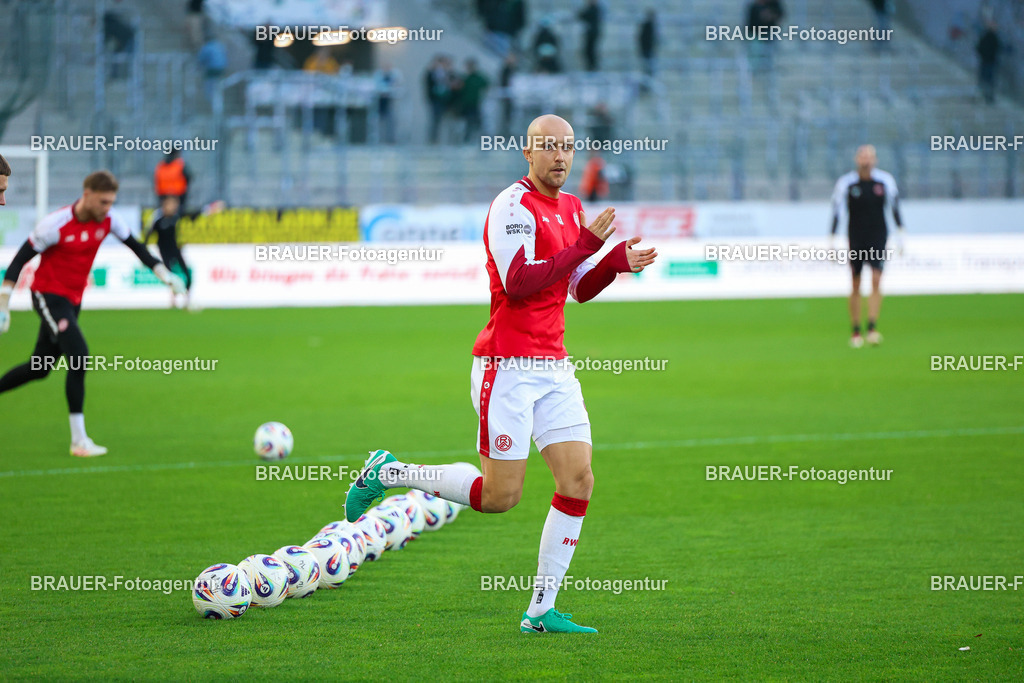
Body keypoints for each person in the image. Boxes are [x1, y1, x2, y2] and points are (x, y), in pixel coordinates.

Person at [343, 115, 657, 634]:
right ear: (527, 153)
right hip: (506, 366)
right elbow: (517, 282)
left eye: (568, 148)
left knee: (578, 480)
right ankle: (389, 472)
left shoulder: (572, 208)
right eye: (549, 147)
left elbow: (576, 287)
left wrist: (615, 262)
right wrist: (584, 247)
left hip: (554, 366)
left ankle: (540, 611)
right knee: (499, 497)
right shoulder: (511, 206)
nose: (560, 156)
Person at [0, 171, 186, 457]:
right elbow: (19, 260)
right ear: (86, 194)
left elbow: (137, 248)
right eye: (102, 202)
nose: (106, 209)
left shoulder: (110, 220)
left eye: (110, 203)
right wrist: (4, 302)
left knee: (39, 368)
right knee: (79, 355)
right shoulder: (55, 224)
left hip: (73, 300)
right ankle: (79, 441)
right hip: (47, 295)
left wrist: (164, 274)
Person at [830, 145, 904, 348]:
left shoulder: (885, 181)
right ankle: (855, 330)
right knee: (855, 282)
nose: (866, 160)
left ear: (875, 160)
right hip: (856, 236)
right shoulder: (847, 183)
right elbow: (837, 210)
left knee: (876, 278)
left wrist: (900, 232)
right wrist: (833, 237)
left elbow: (894, 207)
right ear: (857, 159)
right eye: (863, 156)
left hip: (878, 235)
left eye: (870, 156)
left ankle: (872, 327)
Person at [143, 195, 194, 308]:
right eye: (171, 204)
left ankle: (187, 299)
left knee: (186, 273)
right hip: (164, 252)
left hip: (176, 250)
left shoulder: (176, 217)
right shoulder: (157, 219)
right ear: (164, 205)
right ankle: (173, 300)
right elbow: (148, 235)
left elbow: (192, 216)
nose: (174, 207)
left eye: (175, 204)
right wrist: (144, 252)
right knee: (170, 275)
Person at [458, 58, 490, 143]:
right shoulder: (465, 78)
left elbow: (486, 83)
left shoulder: (477, 77)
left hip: (476, 104)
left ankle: (481, 141)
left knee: (478, 123)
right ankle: (467, 140)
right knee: (468, 123)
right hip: (466, 104)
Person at [197, 31, 228, 101]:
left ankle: (209, 98)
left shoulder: (207, 46)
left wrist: (199, 66)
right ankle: (218, 97)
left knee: (209, 82)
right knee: (217, 82)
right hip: (222, 67)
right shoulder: (220, 45)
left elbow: (202, 58)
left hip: (212, 67)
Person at [976, 20, 1000, 105]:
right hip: (989, 62)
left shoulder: (986, 37)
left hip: (986, 61)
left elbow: (979, 47)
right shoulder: (993, 38)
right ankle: (988, 97)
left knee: (985, 80)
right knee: (989, 81)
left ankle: (985, 96)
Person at [578, 0, 603, 71]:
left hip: (592, 32)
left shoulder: (594, 9)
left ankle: (592, 67)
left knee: (590, 50)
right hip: (591, 32)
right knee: (589, 50)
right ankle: (591, 66)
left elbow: (582, 15)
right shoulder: (595, 9)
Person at [638, 8, 658, 87]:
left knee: (648, 69)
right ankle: (646, 86)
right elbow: (643, 39)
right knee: (647, 70)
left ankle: (647, 86)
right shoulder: (648, 26)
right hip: (647, 51)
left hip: (648, 51)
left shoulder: (649, 25)